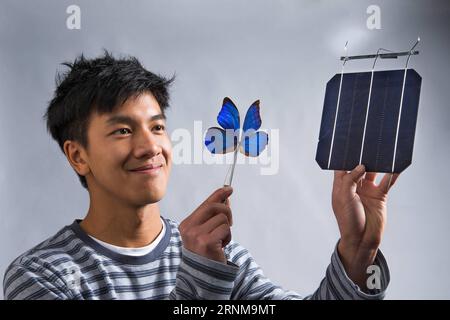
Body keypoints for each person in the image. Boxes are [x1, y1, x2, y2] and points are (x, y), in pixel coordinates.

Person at [3, 52, 398, 300]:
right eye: (123, 130)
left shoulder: (219, 256)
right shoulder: (42, 275)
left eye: (157, 127)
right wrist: (201, 279)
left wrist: (357, 251)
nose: (149, 146)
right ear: (78, 155)